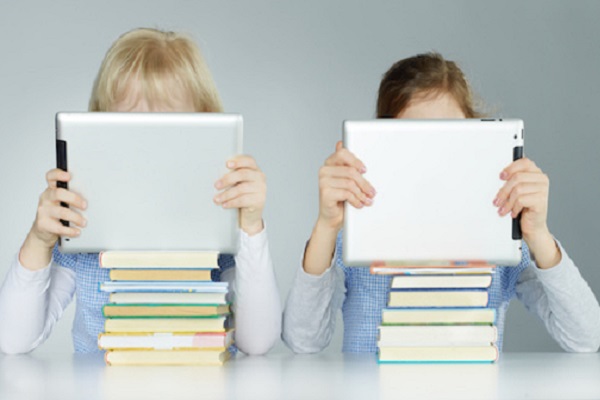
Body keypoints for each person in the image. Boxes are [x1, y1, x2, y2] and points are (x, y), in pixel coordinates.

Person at [283, 52, 600, 353]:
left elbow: (586, 337)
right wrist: (326, 226)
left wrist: (538, 234)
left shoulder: (501, 241)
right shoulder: (356, 240)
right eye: (414, 142)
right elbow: (303, 340)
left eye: (449, 140)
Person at [0, 28, 281, 355]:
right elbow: (12, 340)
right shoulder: (83, 239)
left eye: (170, 132)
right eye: (133, 133)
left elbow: (258, 342)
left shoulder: (217, 235)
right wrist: (39, 240)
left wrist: (251, 228)